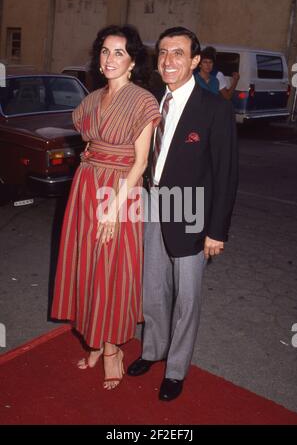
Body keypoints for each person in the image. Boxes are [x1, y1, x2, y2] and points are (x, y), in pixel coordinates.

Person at [127, 27, 238, 401]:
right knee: (152, 290)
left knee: (187, 298)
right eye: (162, 53)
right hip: (152, 204)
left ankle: (175, 370)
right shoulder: (153, 101)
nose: (167, 60)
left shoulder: (216, 109)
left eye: (178, 53)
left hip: (192, 212)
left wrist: (216, 231)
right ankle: (152, 350)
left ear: (194, 60)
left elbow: (225, 175)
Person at [51, 24, 161, 390]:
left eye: (119, 53)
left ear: (132, 61)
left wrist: (114, 209)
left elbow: (141, 163)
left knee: (113, 268)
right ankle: (94, 341)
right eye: (105, 51)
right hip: (86, 187)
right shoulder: (90, 100)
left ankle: (112, 348)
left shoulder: (143, 101)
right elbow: (88, 142)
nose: (110, 59)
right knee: (87, 264)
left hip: (119, 193)